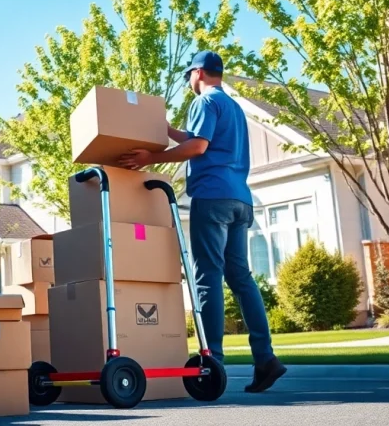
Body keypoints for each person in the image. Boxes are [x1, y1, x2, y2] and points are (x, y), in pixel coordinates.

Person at [118, 51, 287, 393]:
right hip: (240, 199)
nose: (189, 86)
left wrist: (153, 157)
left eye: (189, 79)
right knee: (240, 277)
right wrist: (168, 132)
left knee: (207, 277)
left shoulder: (205, 101)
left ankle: (213, 362)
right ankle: (266, 359)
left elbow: (198, 147)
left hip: (212, 197)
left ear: (197, 73)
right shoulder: (234, 108)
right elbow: (202, 140)